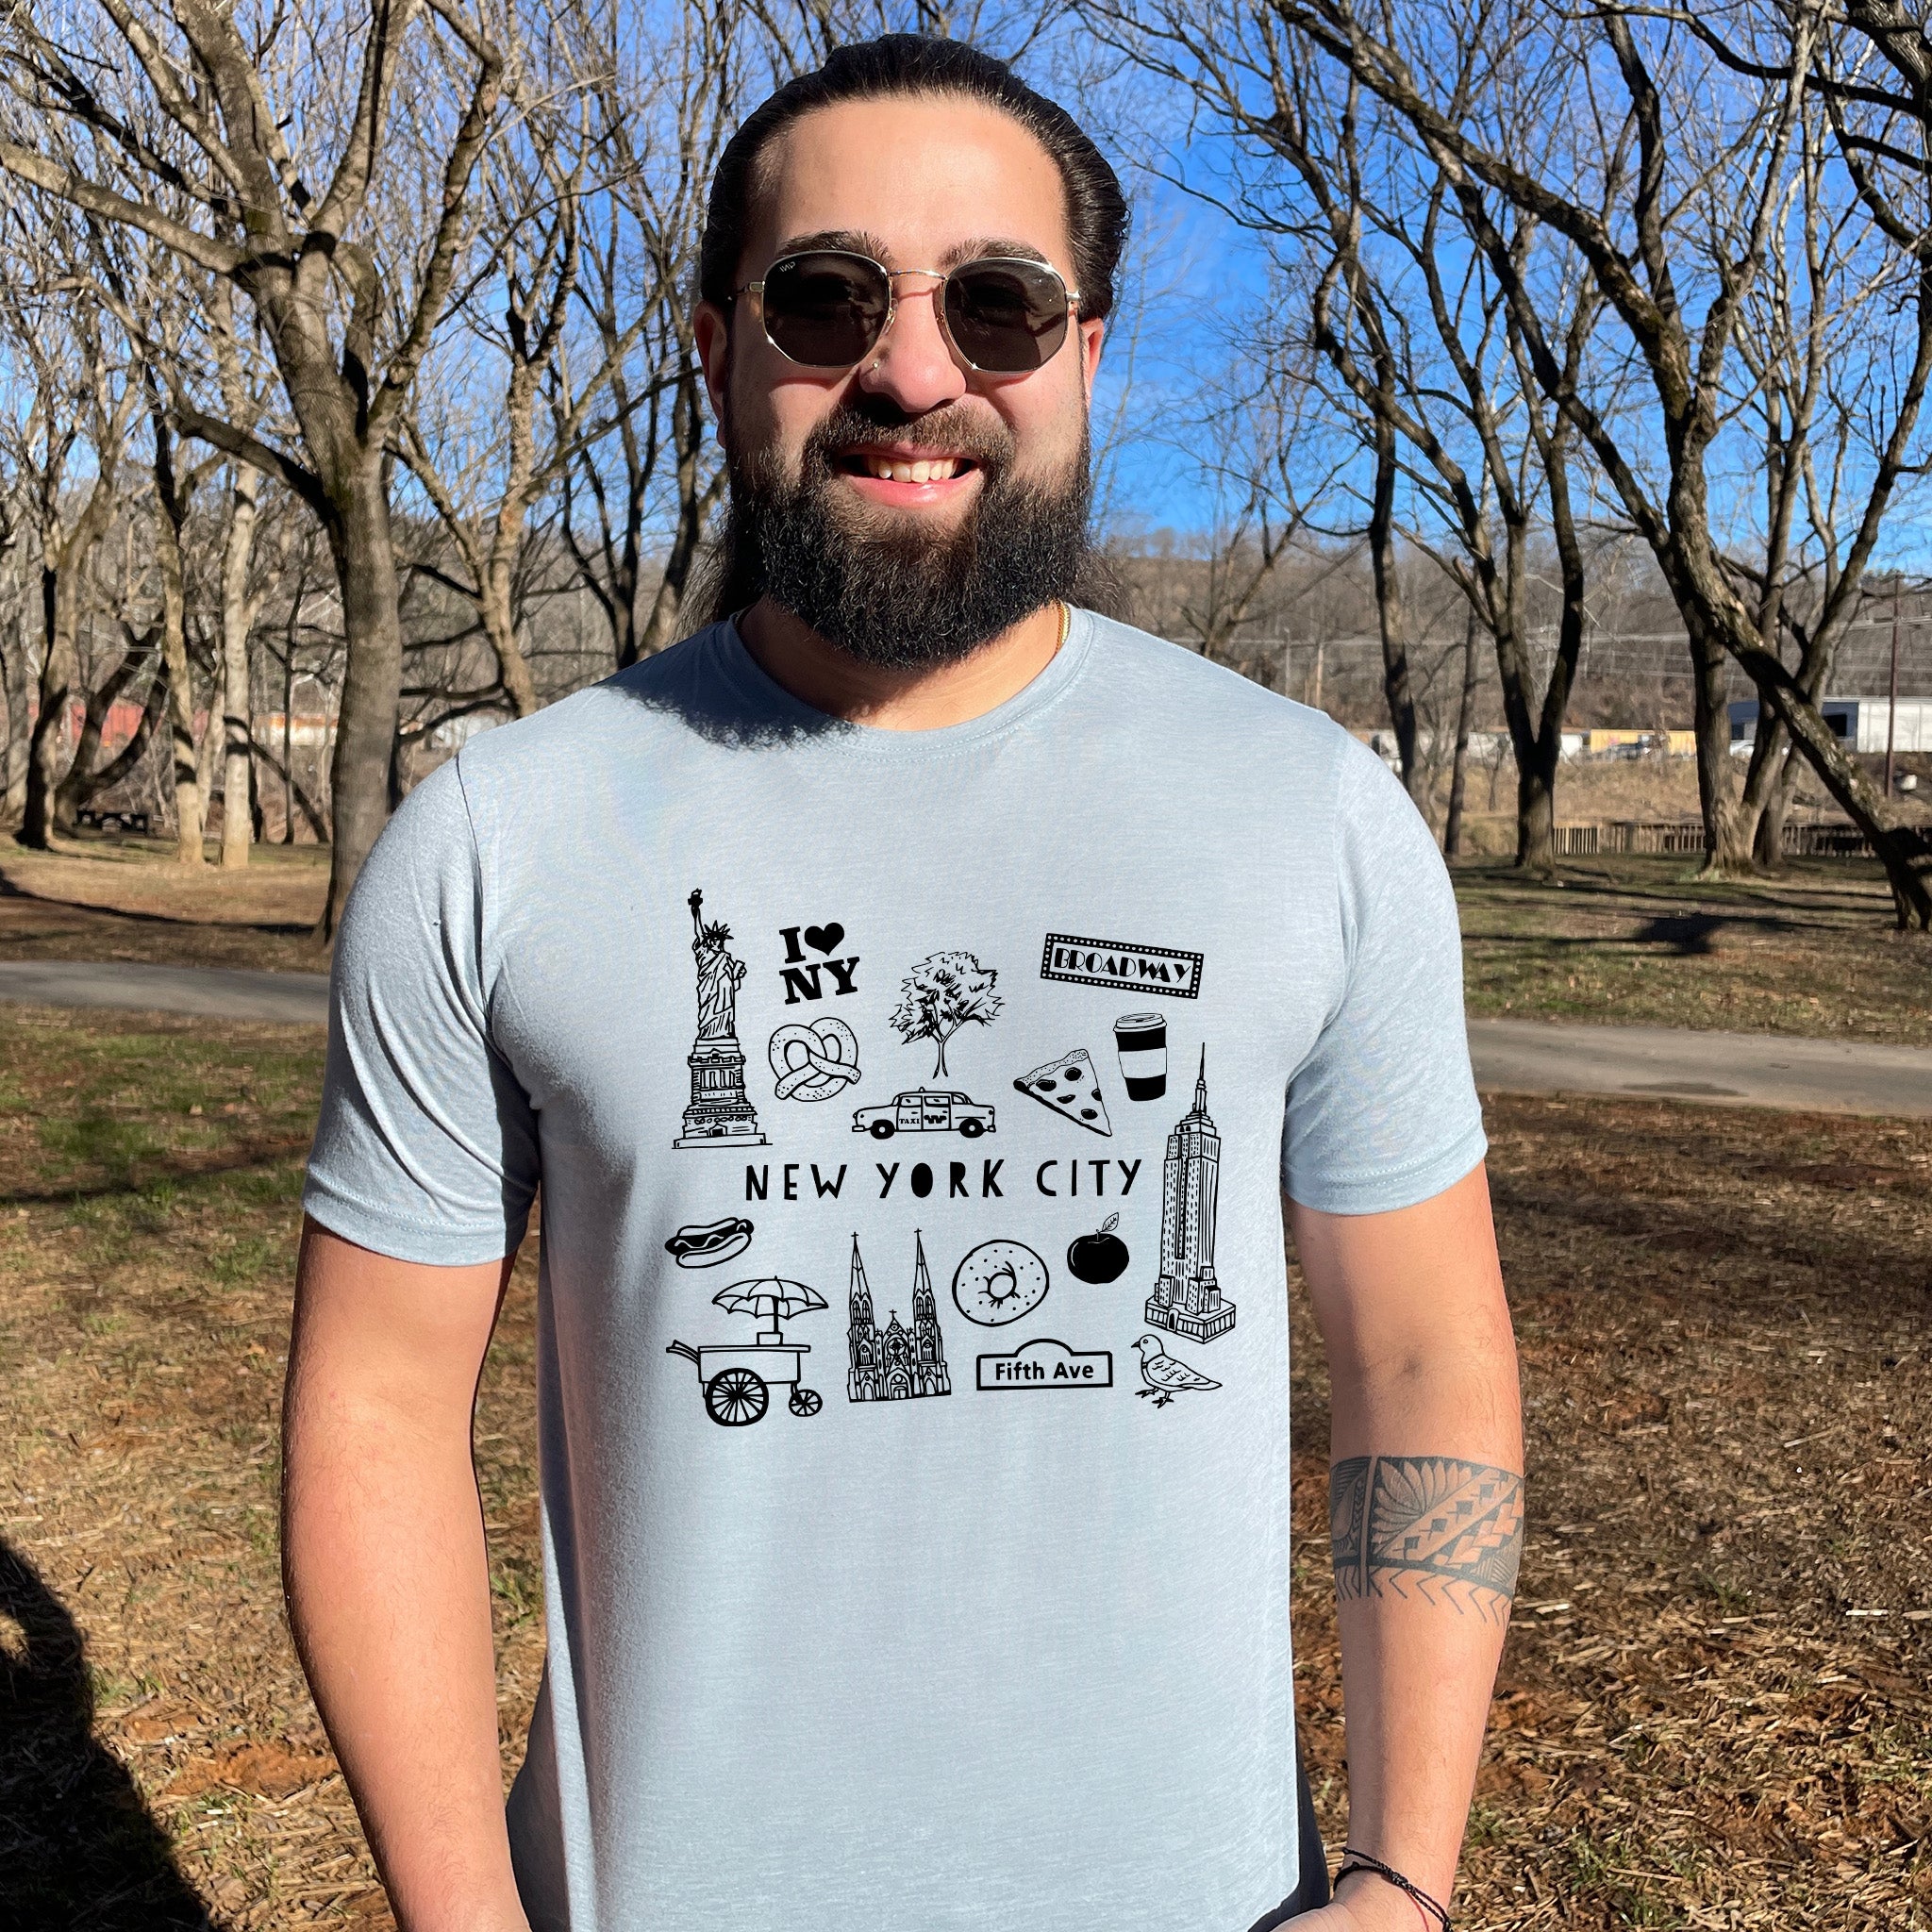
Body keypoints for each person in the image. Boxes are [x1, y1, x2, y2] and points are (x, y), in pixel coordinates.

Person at [286, 34, 1524, 1932]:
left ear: (1086, 357)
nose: (916, 371)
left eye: (998, 304)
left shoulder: (1315, 814)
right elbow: (374, 1411)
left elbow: (1423, 1353)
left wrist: (1403, 1878)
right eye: (827, 297)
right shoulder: (495, 841)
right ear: (718, 347)